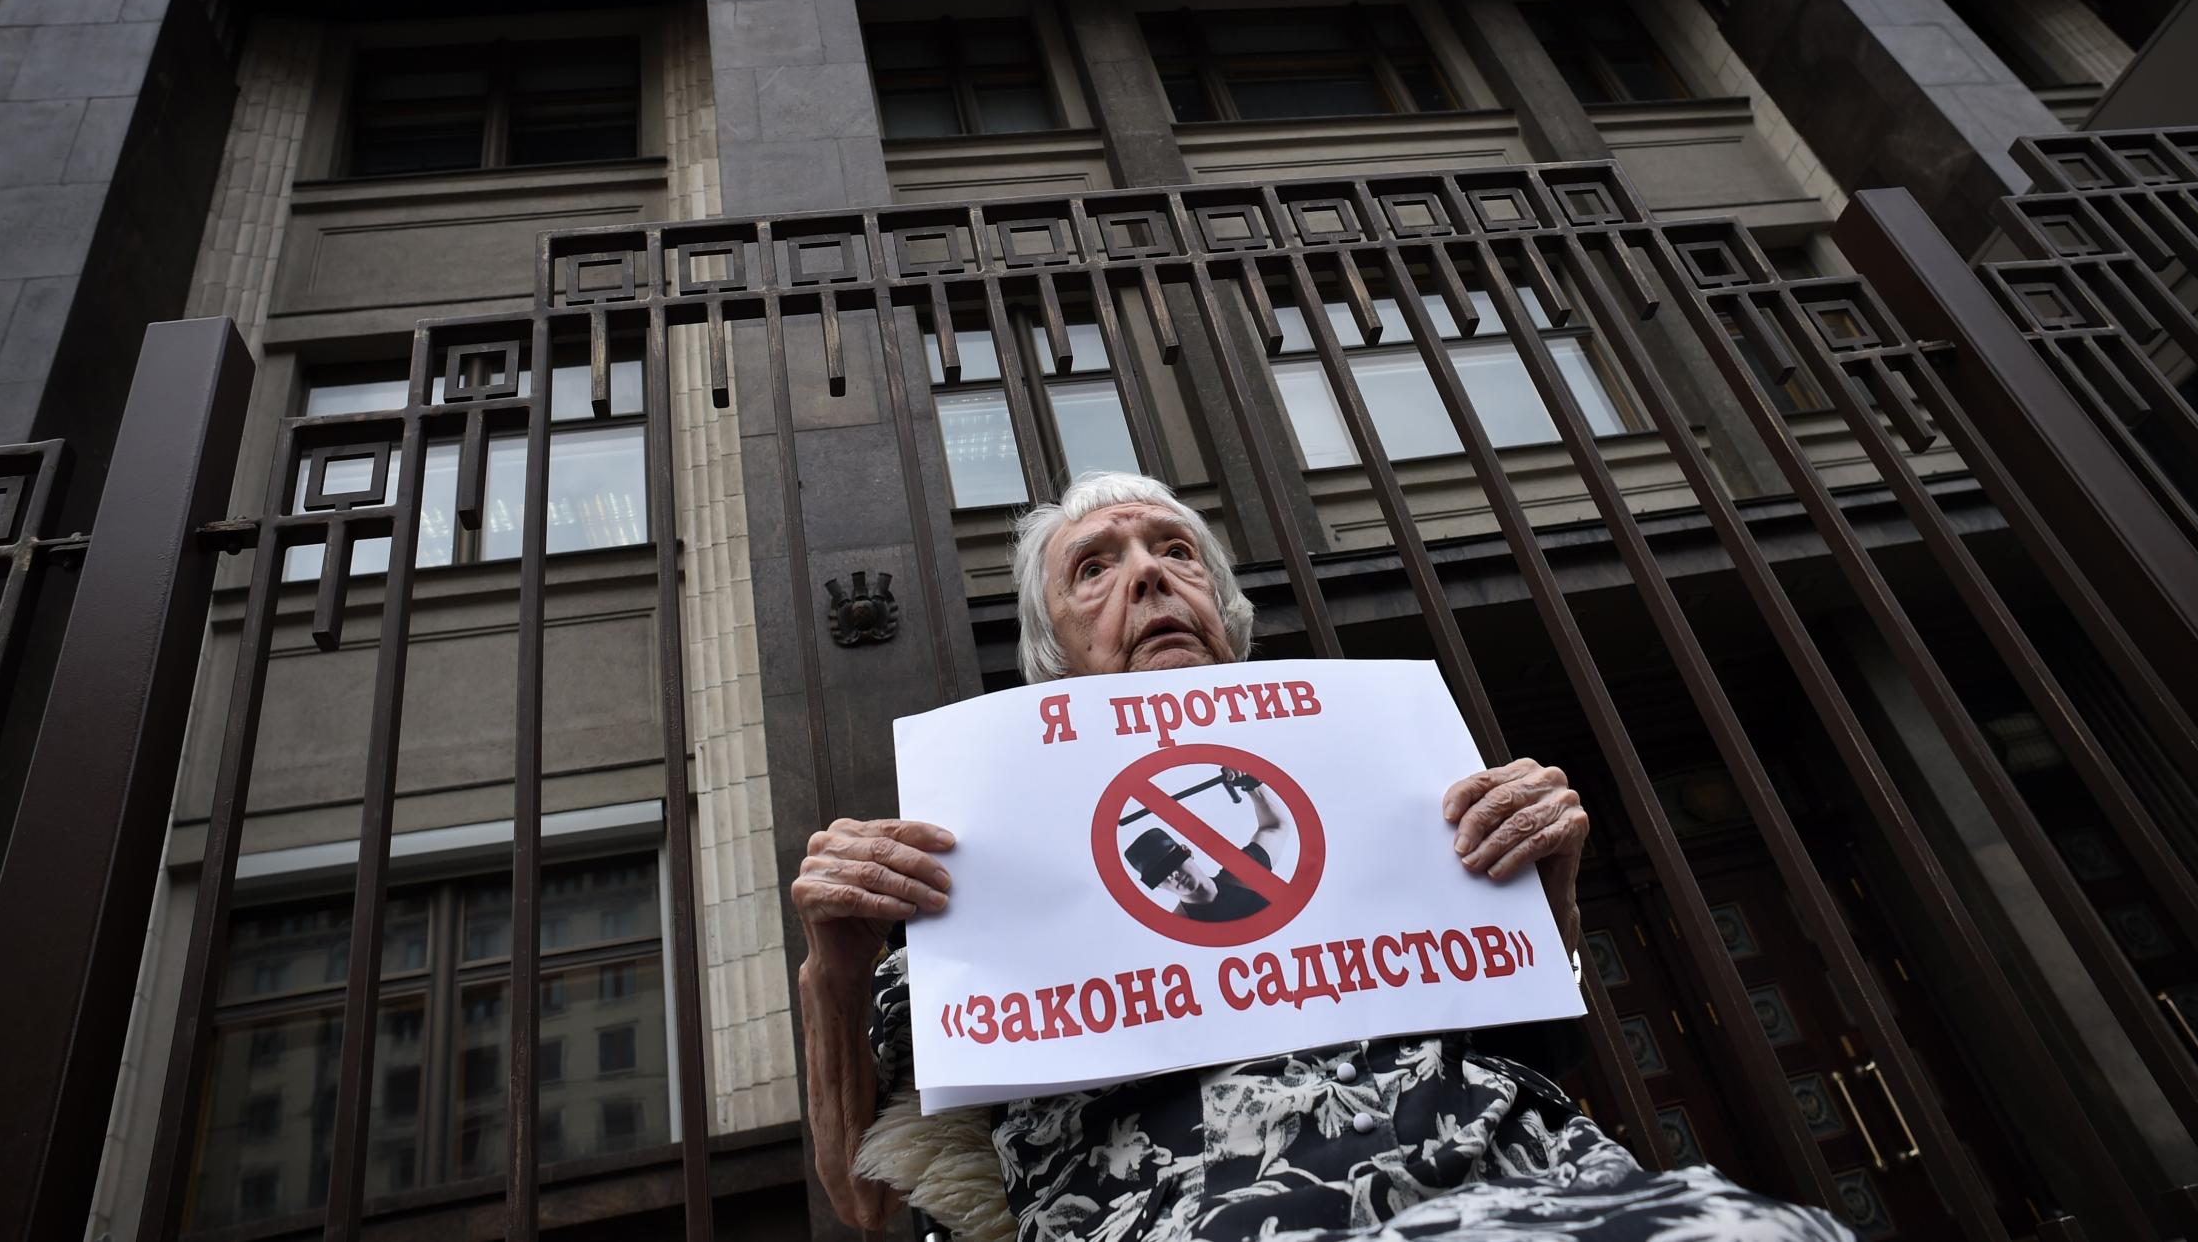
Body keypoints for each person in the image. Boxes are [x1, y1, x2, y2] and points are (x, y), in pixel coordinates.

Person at [791, 472, 1852, 1242]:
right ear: (1051, 658)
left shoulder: (1387, 791)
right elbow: (868, 1199)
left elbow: (1533, 1031)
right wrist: (835, 966)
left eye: (1176, 549)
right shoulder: (977, 887)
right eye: (1096, 567)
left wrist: (1548, 881)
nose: (1151, 578)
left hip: (1536, 1185)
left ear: (1225, 613)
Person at [1126, 768, 1284, 921]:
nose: (1171, 875)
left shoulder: (1244, 873)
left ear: (1187, 851)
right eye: (1158, 875)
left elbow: (1274, 827)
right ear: (1156, 886)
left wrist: (1252, 785)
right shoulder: (1180, 931)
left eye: (1170, 863)